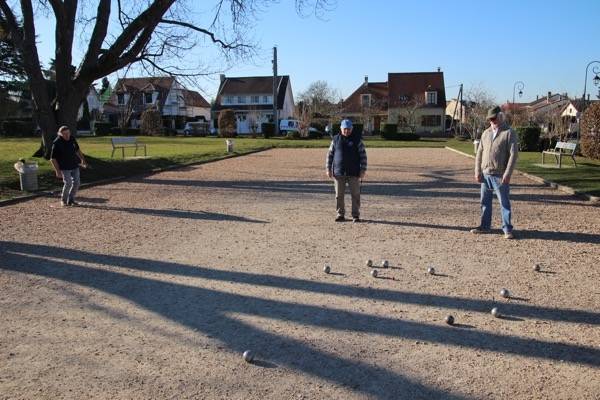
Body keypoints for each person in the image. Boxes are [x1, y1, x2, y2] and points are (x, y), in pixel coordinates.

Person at [471, 106, 518, 239]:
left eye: (494, 118)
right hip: (485, 174)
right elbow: (479, 153)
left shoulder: (509, 132)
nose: (492, 121)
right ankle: (485, 226)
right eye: (490, 119)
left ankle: (507, 229)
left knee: (504, 203)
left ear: (500, 116)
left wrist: (507, 174)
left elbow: (514, 155)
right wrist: (477, 171)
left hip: (500, 175)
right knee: (484, 202)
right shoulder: (485, 133)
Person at [325, 119, 367, 222]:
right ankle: (340, 214)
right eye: (345, 129)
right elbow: (329, 155)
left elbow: (363, 156)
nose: (346, 131)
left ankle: (355, 215)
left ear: (352, 129)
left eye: (348, 129)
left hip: (354, 173)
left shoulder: (357, 140)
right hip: (338, 173)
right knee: (339, 195)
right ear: (341, 129)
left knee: (355, 195)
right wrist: (328, 168)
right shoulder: (335, 139)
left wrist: (363, 170)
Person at [50, 125, 88, 206]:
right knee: (68, 183)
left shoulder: (72, 139)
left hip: (74, 164)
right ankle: (63, 200)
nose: (67, 136)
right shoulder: (57, 143)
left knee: (77, 183)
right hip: (64, 167)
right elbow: (53, 158)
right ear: (60, 134)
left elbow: (77, 150)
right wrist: (57, 171)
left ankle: (71, 200)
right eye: (64, 134)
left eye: (68, 133)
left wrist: (83, 160)